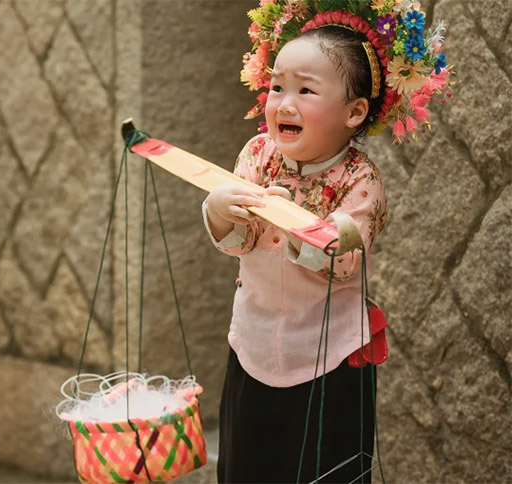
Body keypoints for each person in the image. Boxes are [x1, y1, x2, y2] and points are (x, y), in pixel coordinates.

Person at [202, 24, 389, 484]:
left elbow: (344, 260)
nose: (284, 102)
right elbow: (240, 241)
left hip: (332, 356)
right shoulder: (258, 153)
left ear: (354, 111)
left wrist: (294, 221)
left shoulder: (360, 180)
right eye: (277, 85)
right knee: (246, 468)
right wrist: (220, 209)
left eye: (305, 89)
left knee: (322, 473)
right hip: (253, 342)